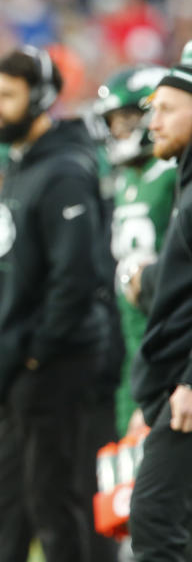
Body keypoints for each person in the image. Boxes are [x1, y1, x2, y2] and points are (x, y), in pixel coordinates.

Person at [0, 47, 110, 562]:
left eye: (8, 95)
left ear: (44, 99)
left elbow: (77, 280)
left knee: (55, 510)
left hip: (50, 369)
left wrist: (35, 354)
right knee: (9, 510)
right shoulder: (22, 165)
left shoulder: (66, 171)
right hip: (18, 370)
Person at [127, 62, 192, 561]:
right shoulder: (184, 183)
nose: (153, 122)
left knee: (153, 518)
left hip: (185, 392)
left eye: (168, 109)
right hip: (172, 385)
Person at [93, 66, 175, 438]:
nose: (118, 131)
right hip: (134, 341)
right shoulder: (127, 177)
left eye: (126, 118)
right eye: (113, 121)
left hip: (171, 341)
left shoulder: (173, 171)